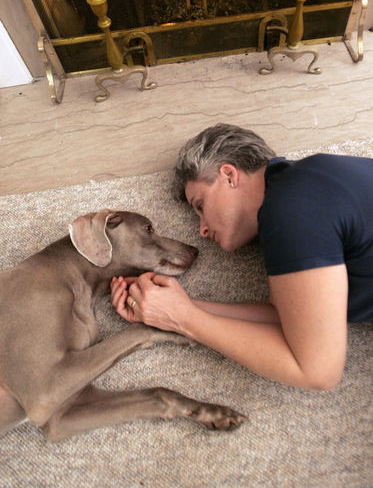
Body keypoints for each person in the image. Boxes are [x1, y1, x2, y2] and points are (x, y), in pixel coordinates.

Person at [110, 123, 373, 390]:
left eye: (200, 205)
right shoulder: (304, 188)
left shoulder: (291, 208)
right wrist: (174, 306)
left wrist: (182, 318)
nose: (201, 229)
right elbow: (291, 317)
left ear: (228, 175)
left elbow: (317, 371)